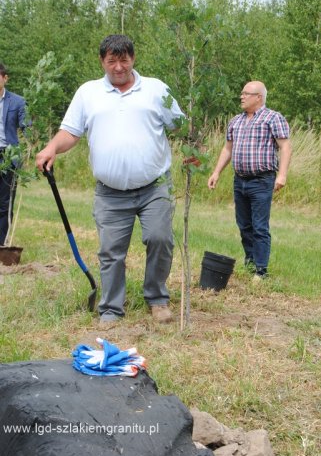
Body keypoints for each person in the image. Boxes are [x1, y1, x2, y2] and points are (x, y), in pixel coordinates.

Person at [36, 34, 184, 323]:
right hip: (110, 192)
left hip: (155, 186)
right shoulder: (88, 93)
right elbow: (71, 132)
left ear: (133, 58)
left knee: (160, 239)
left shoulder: (155, 89)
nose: (119, 67)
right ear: (102, 61)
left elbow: (179, 124)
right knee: (111, 251)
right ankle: (112, 308)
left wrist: (193, 152)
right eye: (112, 60)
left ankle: (157, 299)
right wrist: (51, 147)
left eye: (124, 59)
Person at [208, 81, 292, 280]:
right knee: (244, 224)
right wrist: (216, 172)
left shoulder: (273, 118)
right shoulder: (236, 121)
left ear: (259, 97)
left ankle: (261, 270)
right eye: (242, 93)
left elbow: (286, 147)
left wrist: (282, 175)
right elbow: (227, 148)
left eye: (246, 94)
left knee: (259, 226)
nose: (242, 97)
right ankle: (250, 262)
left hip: (262, 181)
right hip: (240, 180)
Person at [0, 63, 26, 246]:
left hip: (8, 155)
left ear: (5, 78)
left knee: (5, 203)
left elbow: (26, 127)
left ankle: (1, 244)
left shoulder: (17, 102)